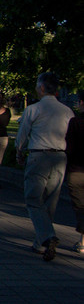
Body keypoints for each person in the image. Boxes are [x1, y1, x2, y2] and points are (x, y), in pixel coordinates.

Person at [15, 72, 74, 261]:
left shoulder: (33, 109)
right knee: (50, 200)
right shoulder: (67, 111)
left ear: (41, 88)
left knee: (33, 198)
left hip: (39, 156)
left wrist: (19, 150)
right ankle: (40, 243)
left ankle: (47, 237)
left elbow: (22, 134)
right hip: (59, 157)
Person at [66, 92, 84, 254]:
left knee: (80, 206)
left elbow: (69, 148)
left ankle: (83, 240)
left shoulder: (75, 122)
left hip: (77, 170)